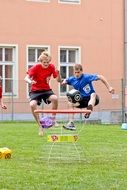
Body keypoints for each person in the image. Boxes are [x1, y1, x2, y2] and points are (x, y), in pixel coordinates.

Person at [61, 63, 115, 130]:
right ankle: (71, 123)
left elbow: (101, 77)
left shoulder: (87, 77)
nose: (77, 74)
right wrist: (64, 81)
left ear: (81, 71)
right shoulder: (72, 79)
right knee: (70, 103)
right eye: (75, 72)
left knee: (93, 94)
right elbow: (65, 80)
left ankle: (89, 109)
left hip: (92, 99)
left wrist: (109, 87)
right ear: (73, 72)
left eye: (78, 72)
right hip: (81, 101)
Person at [24, 51, 62, 136]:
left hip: (46, 90)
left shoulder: (51, 67)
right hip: (35, 90)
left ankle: (53, 119)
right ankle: (40, 126)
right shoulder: (36, 67)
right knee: (32, 104)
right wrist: (30, 81)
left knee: (55, 98)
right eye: (44, 62)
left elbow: (59, 80)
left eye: (48, 62)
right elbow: (26, 78)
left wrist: (59, 74)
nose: (46, 64)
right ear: (41, 61)